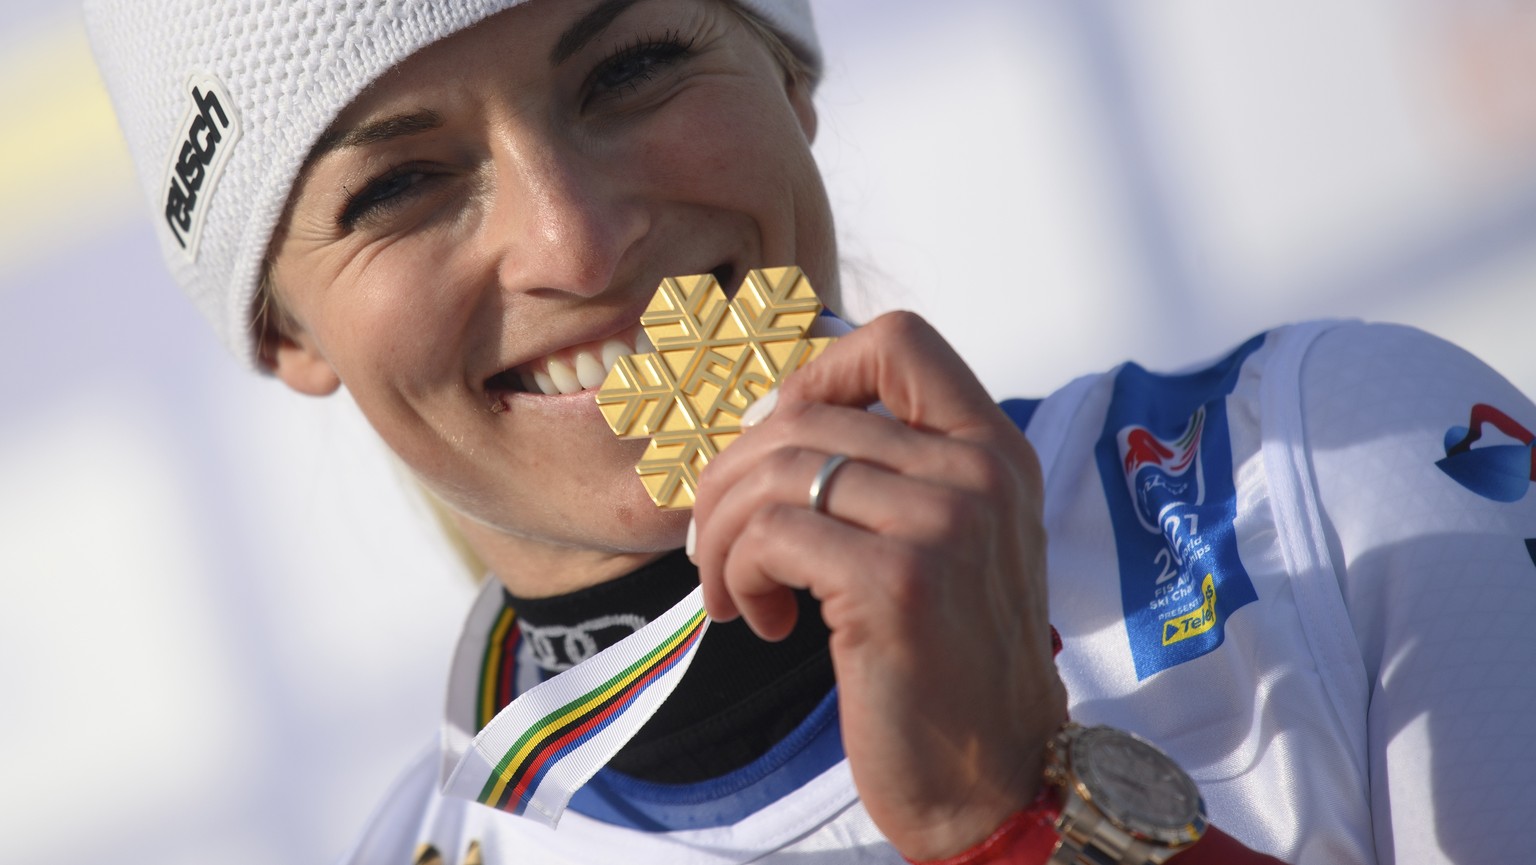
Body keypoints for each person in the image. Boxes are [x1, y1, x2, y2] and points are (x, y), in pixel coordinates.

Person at [83, 1, 1536, 863]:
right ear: (284, 327)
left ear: (785, 69)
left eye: (630, 67)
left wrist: (1015, 814)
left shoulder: (1342, 482)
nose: (575, 244)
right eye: (398, 185)